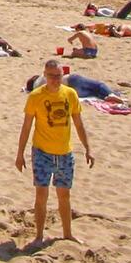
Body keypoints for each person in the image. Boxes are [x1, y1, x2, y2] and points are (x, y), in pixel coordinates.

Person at [16, 59, 93, 245]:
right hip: (42, 152)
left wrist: (88, 148)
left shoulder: (70, 94)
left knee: (64, 195)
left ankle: (67, 233)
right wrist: (20, 154)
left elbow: (78, 123)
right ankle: (39, 236)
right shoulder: (35, 96)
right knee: (41, 194)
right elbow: (26, 127)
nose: (55, 80)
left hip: (65, 153)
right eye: (51, 76)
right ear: (45, 75)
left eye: (58, 76)